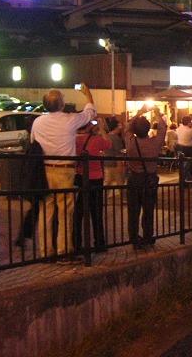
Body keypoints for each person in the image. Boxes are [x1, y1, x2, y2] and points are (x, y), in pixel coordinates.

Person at [30, 84, 96, 261]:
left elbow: (33, 142)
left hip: (44, 170)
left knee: (46, 211)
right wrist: (87, 94)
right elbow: (90, 113)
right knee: (65, 212)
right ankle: (64, 250)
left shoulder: (38, 122)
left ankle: (46, 251)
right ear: (61, 104)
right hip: (65, 171)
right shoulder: (69, 120)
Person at [124, 104, 167, 249]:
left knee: (133, 211)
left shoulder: (130, 142)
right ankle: (148, 236)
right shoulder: (154, 143)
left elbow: (127, 126)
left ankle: (134, 238)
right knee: (148, 210)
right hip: (149, 179)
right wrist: (157, 113)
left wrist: (140, 112)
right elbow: (162, 128)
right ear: (148, 129)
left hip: (134, 178)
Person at [73, 120, 110, 252]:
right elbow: (108, 144)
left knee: (79, 212)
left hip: (81, 177)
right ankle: (99, 242)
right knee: (97, 211)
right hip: (96, 178)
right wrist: (102, 129)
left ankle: (76, 242)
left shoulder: (73, 140)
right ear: (88, 127)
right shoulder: (96, 139)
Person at [103, 116, 126, 190]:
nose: (121, 127)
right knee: (120, 184)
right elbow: (118, 153)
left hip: (106, 163)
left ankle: (104, 196)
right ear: (116, 127)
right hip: (114, 165)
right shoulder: (116, 138)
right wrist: (119, 165)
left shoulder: (106, 136)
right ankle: (123, 197)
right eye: (119, 125)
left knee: (107, 183)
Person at [176, 115, 192, 180]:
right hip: (188, 149)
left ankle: (182, 179)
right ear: (189, 122)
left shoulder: (179, 128)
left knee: (182, 165)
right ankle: (189, 179)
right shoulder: (190, 130)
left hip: (179, 147)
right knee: (188, 165)